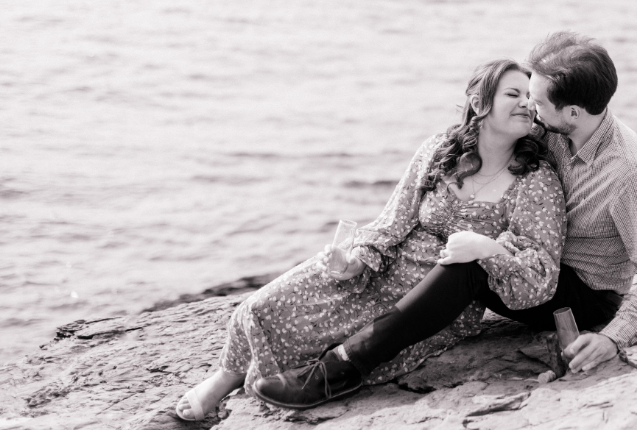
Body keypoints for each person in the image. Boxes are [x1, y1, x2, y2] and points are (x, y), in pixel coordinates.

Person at [257, 31, 637, 409]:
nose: (529, 110)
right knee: (450, 243)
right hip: (529, 257)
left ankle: (343, 368)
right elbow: (494, 138)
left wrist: (613, 337)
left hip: (578, 291)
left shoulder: (630, 174)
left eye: (536, 102)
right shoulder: (558, 128)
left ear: (572, 112)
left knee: (472, 263)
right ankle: (320, 336)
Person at [176, 59, 567, 421]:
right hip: (382, 267)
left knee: (334, 341)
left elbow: (539, 275)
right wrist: (356, 262)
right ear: (479, 101)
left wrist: (490, 250)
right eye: (512, 94)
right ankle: (227, 376)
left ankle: (290, 378)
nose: (525, 104)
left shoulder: (535, 181)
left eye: (528, 98)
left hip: (429, 298)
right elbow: (392, 221)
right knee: (265, 306)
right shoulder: (439, 151)